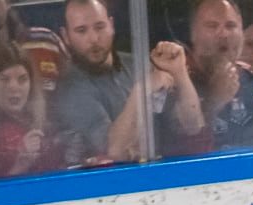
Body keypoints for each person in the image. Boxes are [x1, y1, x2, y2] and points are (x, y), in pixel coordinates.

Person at [51, 0, 203, 164]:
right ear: (66, 36)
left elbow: (192, 126)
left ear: (111, 25)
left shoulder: (137, 63)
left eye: (100, 27)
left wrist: (179, 73)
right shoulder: (70, 89)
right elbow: (115, 152)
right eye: (81, 31)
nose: (94, 38)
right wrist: (141, 91)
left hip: (161, 174)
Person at [185, 0, 253, 150]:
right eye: (212, 26)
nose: (223, 34)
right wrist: (213, 102)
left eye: (230, 26)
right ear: (193, 33)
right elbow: (178, 148)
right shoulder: (178, 84)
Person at [0, 44, 59, 176]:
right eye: (4, 79)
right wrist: (22, 163)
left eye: (22, 79)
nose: (14, 87)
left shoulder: (47, 125)